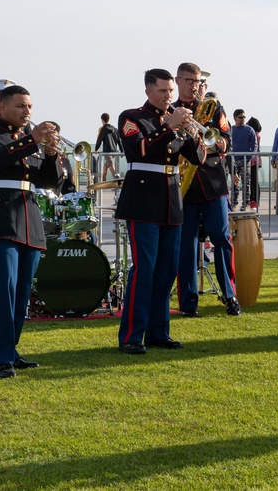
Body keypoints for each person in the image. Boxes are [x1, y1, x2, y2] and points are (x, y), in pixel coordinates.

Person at [0, 85, 62, 378]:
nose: (27, 112)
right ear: (2, 107)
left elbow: (51, 182)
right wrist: (32, 141)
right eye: (21, 106)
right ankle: (0, 358)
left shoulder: (27, 138)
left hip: (29, 219)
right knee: (3, 291)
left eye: (30, 106)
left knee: (21, 294)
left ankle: (11, 350)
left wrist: (49, 155)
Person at [116, 68, 205, 354]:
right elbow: (139, 149)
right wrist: (169, 126)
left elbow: (197, 158)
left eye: (170, 90)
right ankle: (131, 335)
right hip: (143, 199)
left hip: (171, 198)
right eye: (163, 91)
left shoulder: (176, 120)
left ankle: (158, 332)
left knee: (167, 270)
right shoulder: (132, 117)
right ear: (148, 92)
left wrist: (192, 132)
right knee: (145, 269)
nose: (169, 96)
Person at [172, 63, 240, 318]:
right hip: (184, 186)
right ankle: (188, 302)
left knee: (222, 239)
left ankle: (230, 295)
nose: (193, 85)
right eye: (188, 80)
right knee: (186, 244)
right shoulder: (171, 110)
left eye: (197, 81)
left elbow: (225, 139)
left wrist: (212, 141)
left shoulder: (213, 108)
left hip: (212, 182)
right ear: (178, 81)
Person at [230, 109, 258, 210]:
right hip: (233, 160)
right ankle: (233, 204)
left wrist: (250, 157)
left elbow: (254, 144)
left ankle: (245, 204)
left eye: (244, 117)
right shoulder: (231, 129)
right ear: (235, 118)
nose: (243, 119)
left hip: (245, 160)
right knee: (234, 183)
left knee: (246, 183)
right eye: (240, 117)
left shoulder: (250, 129)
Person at [94, 112, 121, 181]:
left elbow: (99, 139)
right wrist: (122, 150)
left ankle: (118, 181)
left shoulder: (104, 129)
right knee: (106, 166)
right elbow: (119, 140)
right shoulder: (115, 129)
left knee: (111, 165)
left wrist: (96, 149)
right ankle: (102, 181)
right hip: (114, 151)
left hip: (107, 152)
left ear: (102, 120)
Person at [246, 116, 263, 208]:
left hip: (253, 160)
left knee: (254, 180)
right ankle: (253, 199)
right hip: (255, 160)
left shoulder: (255, 134)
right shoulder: (257, 134)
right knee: (253, 180)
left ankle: (255, 199)